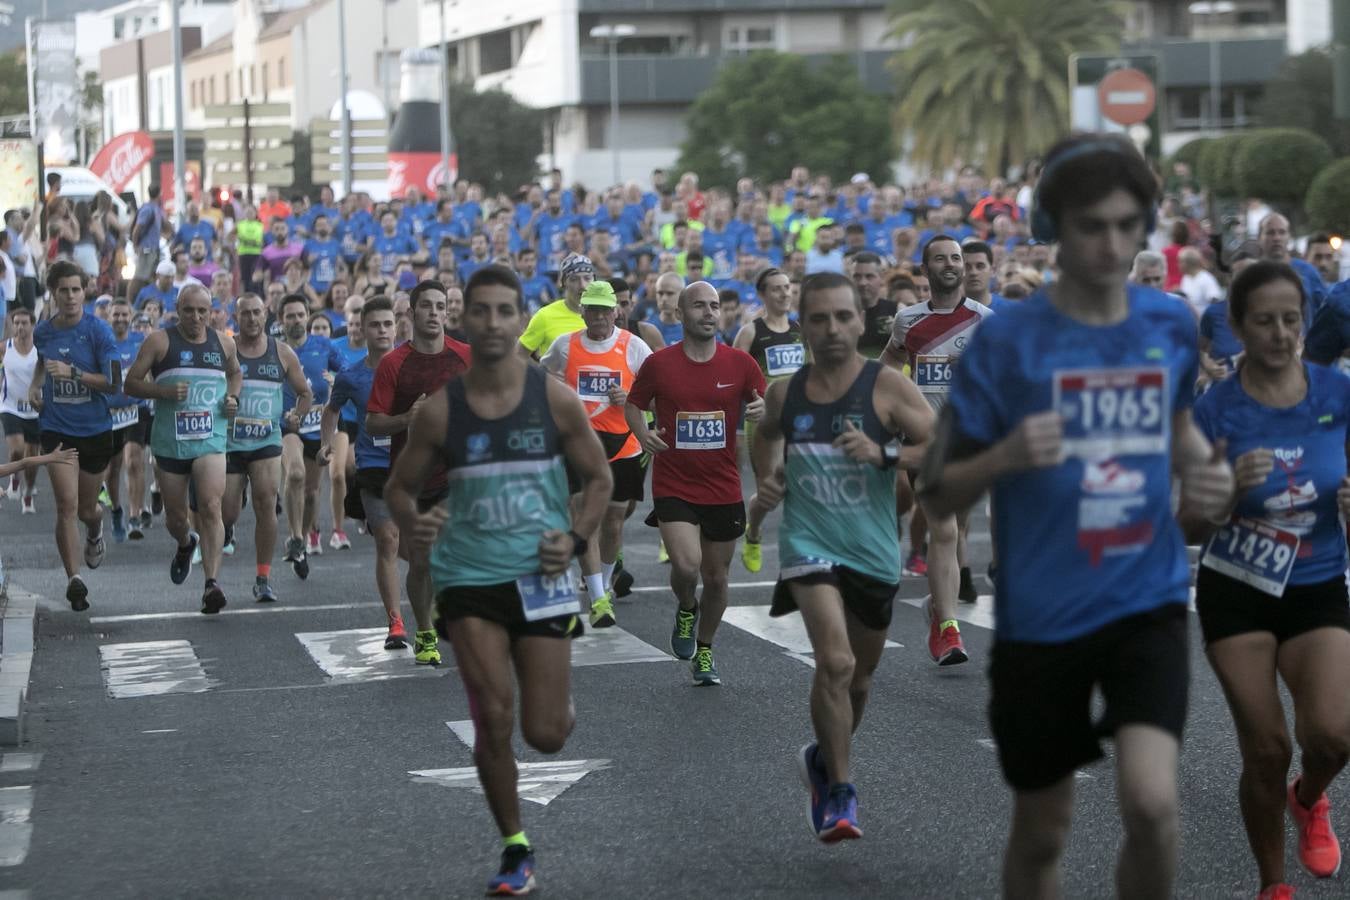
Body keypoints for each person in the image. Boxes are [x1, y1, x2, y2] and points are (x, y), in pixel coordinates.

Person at [916, 134, 1235, 900]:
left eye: (1130, 225)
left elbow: (1175, 422)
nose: (1114, 243)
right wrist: (1004, 458)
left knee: (1155, 807)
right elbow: (936, 492)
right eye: (1094, 224)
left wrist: (1205, 471)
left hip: (1145, 599)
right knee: (1043, 829)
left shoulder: (1165, 326)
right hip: (1041, 616)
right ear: (1056, 226)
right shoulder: (1006, 341)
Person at [386, 265, 611, 896]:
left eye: (503, 311)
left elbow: (599, 480)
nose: (491, 322)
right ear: (466, 319)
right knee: (492, 714)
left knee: (544, 733)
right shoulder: (440, 411)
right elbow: (401, 487)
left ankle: (557, 703)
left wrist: (572, 539)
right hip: (469, 577)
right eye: (478, 311)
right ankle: (516, 847)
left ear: (520, 320)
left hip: (539, 577)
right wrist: (417, 522)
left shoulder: (553, 398)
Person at [754, 271, 935, 842]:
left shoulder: (889, 387)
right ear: (803, 326)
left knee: (859, 679)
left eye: (842, 317)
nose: (831, 329)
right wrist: (769, 476)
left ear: (861, 321)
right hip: (809, 541)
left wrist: (885, 453)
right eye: (818, 318)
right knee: (833, 664)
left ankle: (822, 759)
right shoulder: (788, 391)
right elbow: (765, 433)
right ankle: (842, 791)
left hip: (874, 549)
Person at [1189, 261, 1350, 900]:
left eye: (1292, 319)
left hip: (1316, 584)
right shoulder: (1215, 409)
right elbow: (1180, 525)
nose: (1281, 334)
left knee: (1334, 736)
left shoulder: (1337, 397)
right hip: (1238, 587)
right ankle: (1272, 885)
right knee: (1265, 747)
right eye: (1265, 321)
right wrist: (1222, 492)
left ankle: (1309, 798)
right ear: (1237, 327)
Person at [624, 281, 767, 685]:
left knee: (718, 578)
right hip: (674, 483)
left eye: (715, 306)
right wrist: (641, 433)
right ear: (681, 314)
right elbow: (634, 405)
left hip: (722, 486)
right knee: (687, 566)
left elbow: (764, 401)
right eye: (700, 306)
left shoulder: (740, 363)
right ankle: (686, 606)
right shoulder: (660, 364)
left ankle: (705, 649)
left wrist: (761, 407)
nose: (709, 312)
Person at [882, 234, 991, 664]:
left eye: (956, 258)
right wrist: (892, 402)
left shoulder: (984, 319)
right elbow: (890, 361)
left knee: (958, 531)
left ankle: (937, 605)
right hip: (923, 441)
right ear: (925, 271)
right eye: (940, 259)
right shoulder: (908, 321)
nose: (950, 264)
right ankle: (948, 630)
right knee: (943, 529)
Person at [366, 280, 472, 666]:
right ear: (411, 314)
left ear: (447, 312)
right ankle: (426, 631)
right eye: (425, 306)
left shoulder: (466, 357)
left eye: (439, 306)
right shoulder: (394, 364)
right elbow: (373, 423)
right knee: (424, 561)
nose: (433, 312)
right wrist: (405, 418)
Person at [123, 283, 242, 614]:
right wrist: (162, 392)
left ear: (211, 311)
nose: (196, 317)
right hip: (170, 443)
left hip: (211, 439)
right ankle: (186, 543)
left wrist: (232, 397)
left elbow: (235, 374)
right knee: (176, 518)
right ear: (177, 309)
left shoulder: (223, 342)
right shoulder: (160, 341)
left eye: (203, 310)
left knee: (210, 505)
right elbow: (130, 383)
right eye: (189, 310)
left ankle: (212, 584)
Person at [541, 279, 653, 627]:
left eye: (605, 309)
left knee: (614, 521)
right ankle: (599, 598)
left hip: (624, 443)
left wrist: (630, 395)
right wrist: (558, 389)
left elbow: (654, 390)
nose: (599, 316)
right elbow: (543, 374)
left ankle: (602, 586)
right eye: (593, 309)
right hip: (580, 443)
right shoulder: (565, 345)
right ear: (584, 310)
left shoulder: (634, 347)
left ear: (616, 311)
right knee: (583, 518)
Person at [30, 260, 120, 611]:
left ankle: (96, 532)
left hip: (95, 429)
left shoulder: (99, 332)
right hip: (56, 427)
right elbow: (42, 361)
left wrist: (74, 373)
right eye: (63, 290)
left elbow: (114, 383)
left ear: (85, 291)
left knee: (86, 510)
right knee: (65, 504)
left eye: (76, 290)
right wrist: (38, 385)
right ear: (53, 293)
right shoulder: (44, 331)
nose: (70, 297)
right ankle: (75, 579)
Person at [319, 297, 406, 645]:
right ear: (363, 329)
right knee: (387, 539)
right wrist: (327, 442)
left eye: (388, 324)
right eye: (375, 325)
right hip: (374, 468)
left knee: (421, 547)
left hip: (415, 467)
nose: (383, 331)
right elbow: (331, 411)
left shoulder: (413, 366)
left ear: (396, 327)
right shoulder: (351, 375)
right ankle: (395, 622)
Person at [223, 293, 313, 604]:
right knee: (228, 512)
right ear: (236, 318)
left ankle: (263, 577)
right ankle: (229, 525)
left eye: (257, 312)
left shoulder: (282, 353)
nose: (251, 318)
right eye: (245, 313)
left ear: (266, 316)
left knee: (265, 504)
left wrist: (296, 415)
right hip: (231, 443)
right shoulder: (225, 351)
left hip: (266, 441)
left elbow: (304, 393)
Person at [735, 267, 805, 573]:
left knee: (802, 484)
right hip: (764, 422)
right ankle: (753, 532)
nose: (784, 293)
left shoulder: (800, 330)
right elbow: (732, 376)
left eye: (787, 287)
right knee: (770, 490)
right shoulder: (751, 332)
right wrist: (753, 402)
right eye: (777, 288)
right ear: (763, 295)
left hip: (799, 420)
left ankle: (803, 552)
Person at [274, 294, 345, 571]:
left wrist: (337, 379)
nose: (296, 320)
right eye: (290, 315)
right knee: (295, 473)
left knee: (313, 492)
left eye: (300, 315)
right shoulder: (275, 350)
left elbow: (348, 374)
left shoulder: (324, 346)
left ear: (308, 316)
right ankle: (293, 536)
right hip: (287, 425)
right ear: (281, 319)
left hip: (318, 427)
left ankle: (302, 540)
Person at [104, 299, 145, 543]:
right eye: (115, 314)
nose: (120, 318)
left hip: (134, 409)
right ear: (109, 317)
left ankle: (135, 516)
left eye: (123, 314)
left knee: (134, 461)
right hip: (109, 413)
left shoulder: (140, 341)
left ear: (130, 316)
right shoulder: (102, 343)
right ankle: (117, 510)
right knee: (112, 468)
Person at [0, 307, 41, 511]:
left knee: (32, 457)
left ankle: (28, 492)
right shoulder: (5, 347)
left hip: (35, 410)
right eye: (16, 323)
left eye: (24, 323)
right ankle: (15, 478)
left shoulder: (40, 350)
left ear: (32, 325)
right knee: (17, 449)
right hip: (10, 407)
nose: (20, 327)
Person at [517, 253, 591, 360]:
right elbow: (518, 356)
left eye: (587, 278)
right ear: (564, 283)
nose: (582, 285)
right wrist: (541, 374)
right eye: (574, 279)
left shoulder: (603, 316)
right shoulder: (544, 316)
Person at [126, 186, 164, 307]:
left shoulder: (156, 208)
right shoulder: (148, 209)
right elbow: (137, 228)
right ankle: (130, 303)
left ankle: (148, 302)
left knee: (151, 278)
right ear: (159, 193)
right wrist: (135, 245)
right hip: (146, 249)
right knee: (139, 277)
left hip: (154, 249)